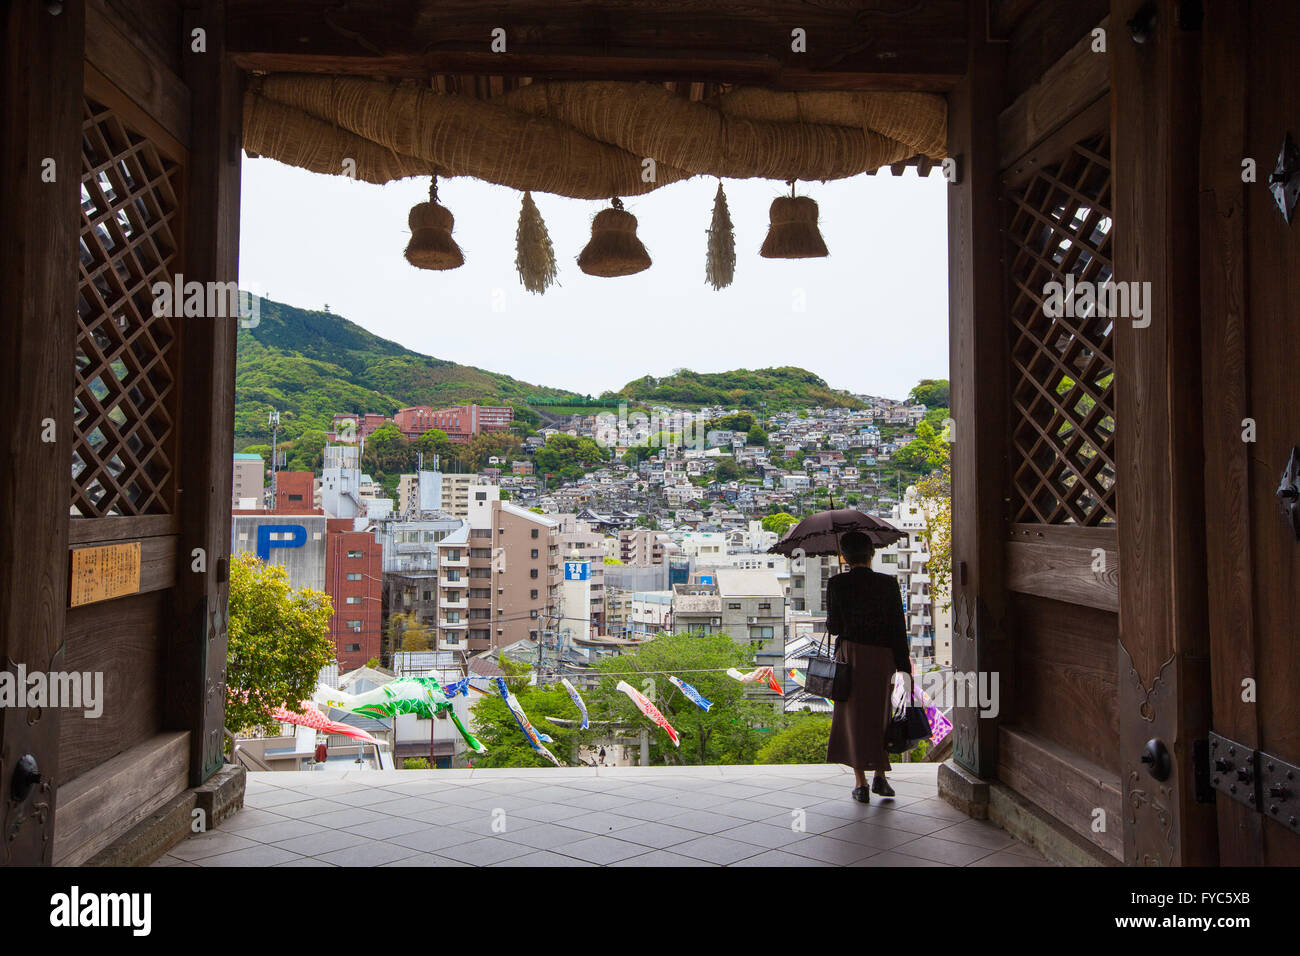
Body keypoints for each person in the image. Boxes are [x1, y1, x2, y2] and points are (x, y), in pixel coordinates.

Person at [823, 530, 911, 803]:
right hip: (882, 656)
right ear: (871, 554)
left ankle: (860, 783)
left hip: (851, 656)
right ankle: (881, 778)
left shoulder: (837, 583)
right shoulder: (888, 584)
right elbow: (898, 626)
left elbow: (834, 627)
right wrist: (903, 665)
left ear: (845, 557)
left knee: (853, 718)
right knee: (880, 715)